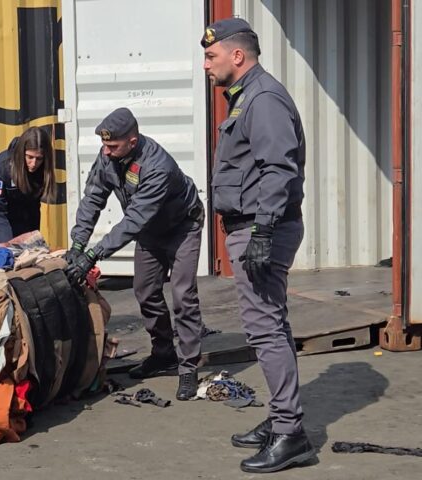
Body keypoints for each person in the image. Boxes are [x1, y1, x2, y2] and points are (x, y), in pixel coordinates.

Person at [202, 18, 315, 473]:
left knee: (264, 329)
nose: (206, 65)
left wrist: (264, 231)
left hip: (260, 229)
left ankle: (290, 435)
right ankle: (281, 418)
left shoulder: (262, 99)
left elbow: (279, 170)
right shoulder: (246, 97)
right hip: (251, 226)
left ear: (237, 56)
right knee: (273, 325)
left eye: (211, 56)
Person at [64, 107, 205, 401]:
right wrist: (77, 244)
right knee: (145, 291)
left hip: (182, 226)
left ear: (132, 140)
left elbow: (135, 219)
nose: (106, 151)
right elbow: (93, 199)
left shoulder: (157, 165)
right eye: (104, 144)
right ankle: (163, 353)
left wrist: (93, 255)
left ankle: (189, 366)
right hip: (151, 230)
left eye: (112, 146)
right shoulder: (109, 159)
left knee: (183, 295)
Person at [0, 127, 56, 244]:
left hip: (16, 216)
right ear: (21, 152)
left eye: (39, 158)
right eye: (30, 157)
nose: (34, 164)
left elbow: (33, 208)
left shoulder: (42, 169)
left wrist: (31, 239)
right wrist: (8, 245)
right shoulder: (0, 167)